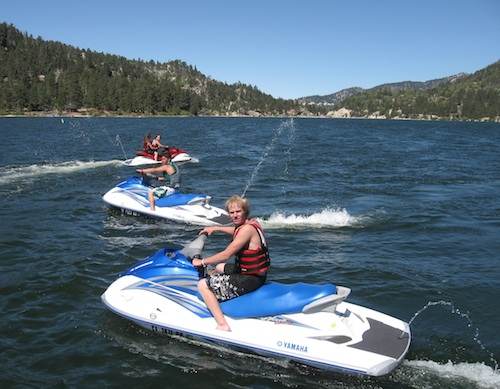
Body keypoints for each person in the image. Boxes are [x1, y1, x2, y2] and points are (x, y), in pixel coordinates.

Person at [192, 195, 271, 332]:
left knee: (202, 284)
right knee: (218, 267)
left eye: (238, 211)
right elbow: (236, 231)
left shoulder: (246, 230)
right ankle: (219, 287)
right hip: (251, 272)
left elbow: (226, 255)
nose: (235, 215)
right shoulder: (251, 224)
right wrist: (216, 228)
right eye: (232, 212)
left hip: (250, 279)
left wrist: (202, 261)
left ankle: (222, 324)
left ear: (245, 211)